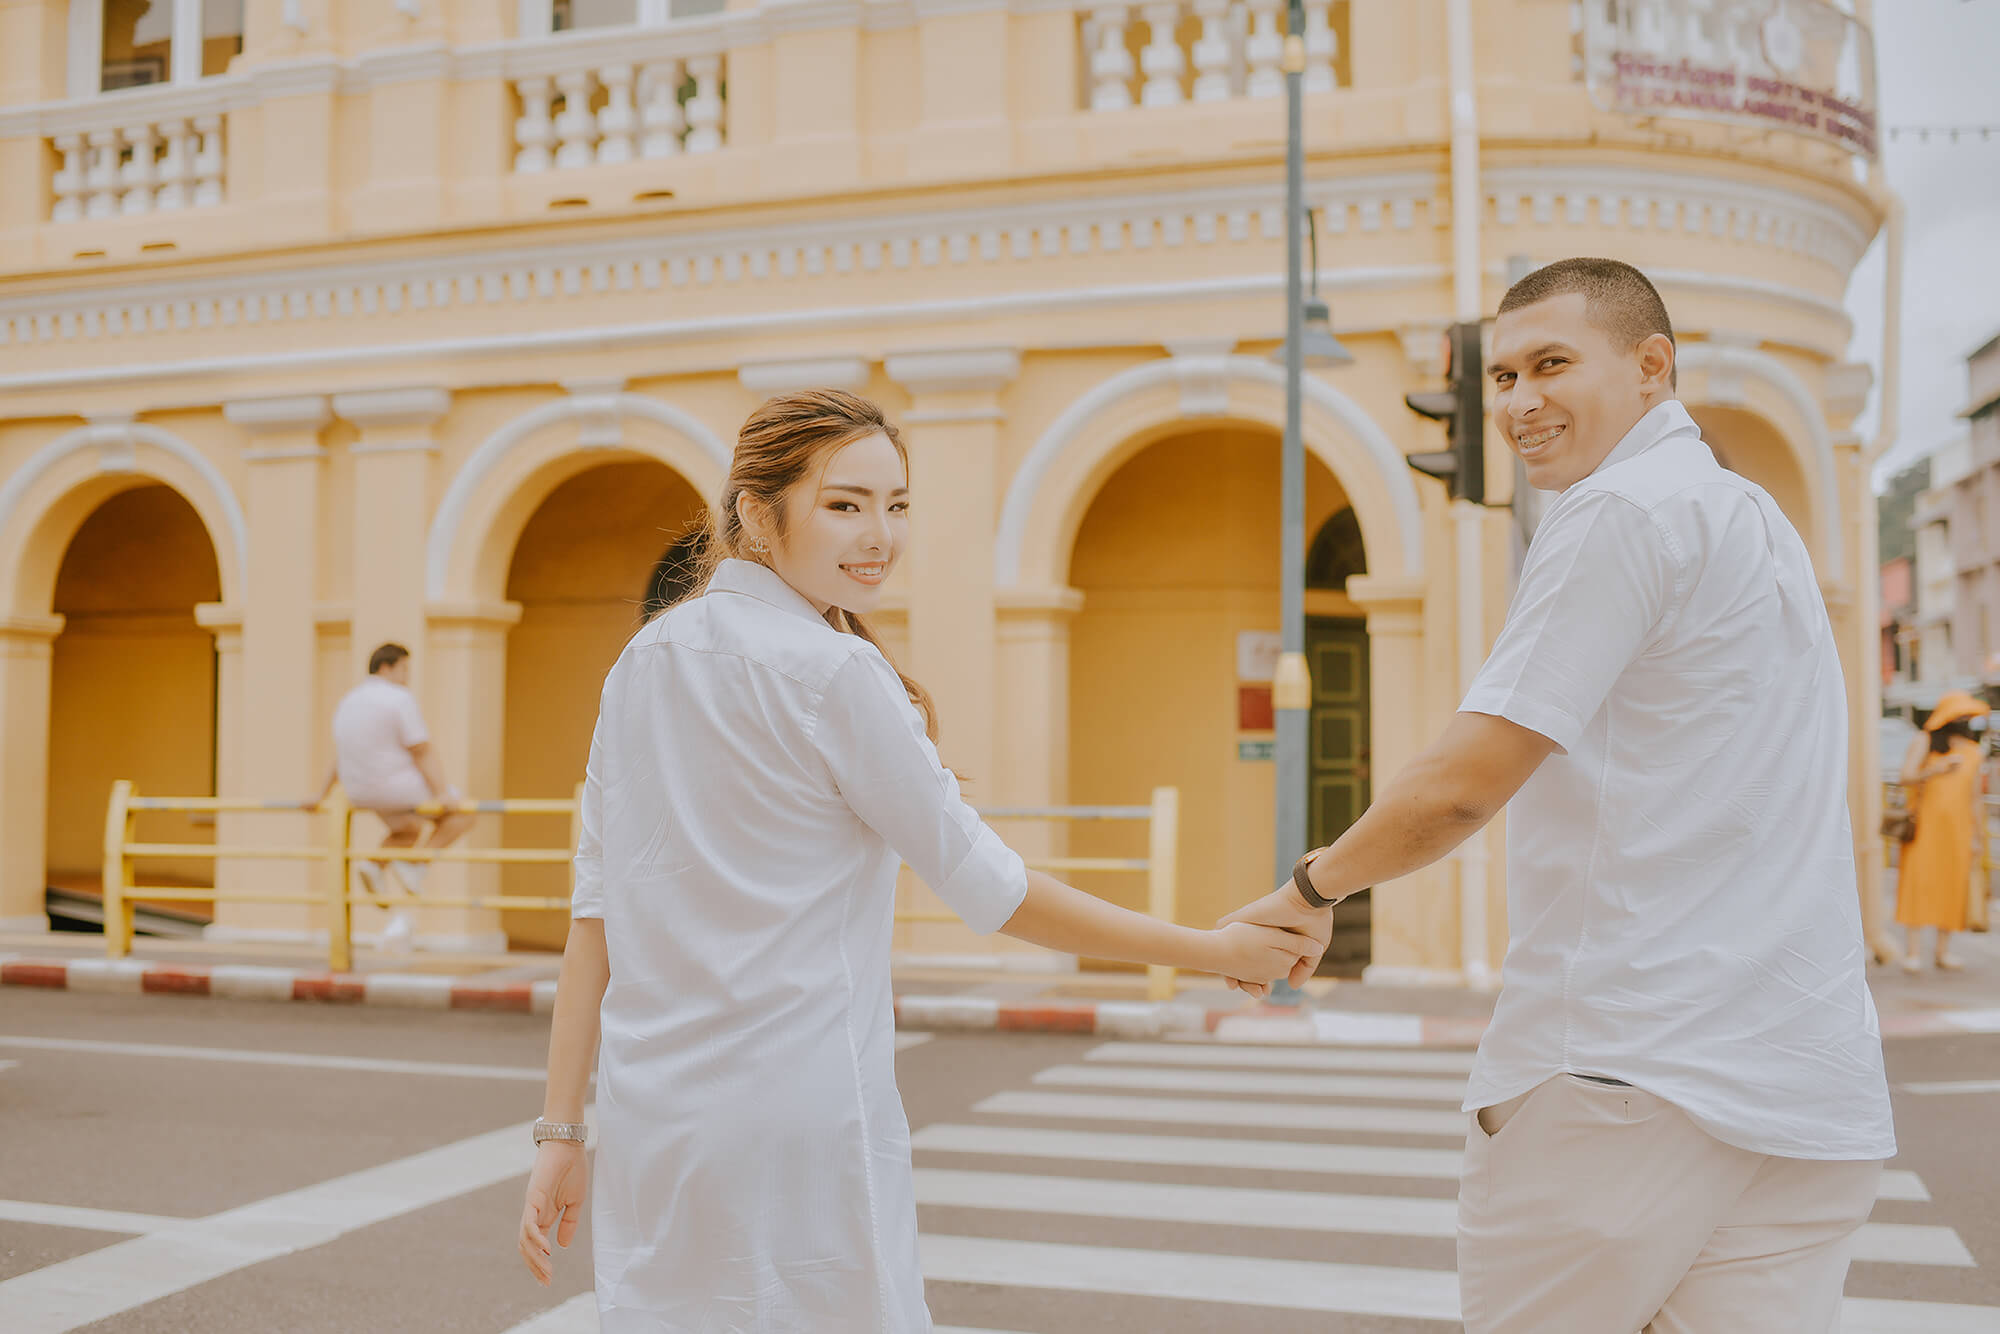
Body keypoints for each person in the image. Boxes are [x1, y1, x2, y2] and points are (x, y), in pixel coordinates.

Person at [515, 388, 1313, 1331]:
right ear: (755, 514)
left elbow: (593, 925)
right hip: (799, 1120)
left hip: (657, 1127)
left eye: (896, 506)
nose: (880, 537)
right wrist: (1215, 953)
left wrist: (562, 1134)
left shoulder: (641, 662)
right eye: (845, 504)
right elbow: (994, 887)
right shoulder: (835, 674)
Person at [1225, 258, 1895, 1333]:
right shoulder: (1756, 520)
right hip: (1806, 1089)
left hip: (1626, 1074)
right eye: (1497, 375)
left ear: (1649, 365)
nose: (1515, 402)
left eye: (1549, 364)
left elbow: (1462, 782)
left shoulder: (1614, 513)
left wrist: (1314, 883)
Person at [312, 643, 475, 950]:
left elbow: (340, 756)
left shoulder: (348, 701)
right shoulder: (399, 699)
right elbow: (421, 749)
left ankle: (375, 864)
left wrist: (320, 794)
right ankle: (418, 864)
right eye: (404, 669)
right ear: (386, 667)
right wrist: (441, 793)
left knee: (408, 830)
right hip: (396, 788)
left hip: (358, 790)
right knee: (464, 813)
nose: (406, 677)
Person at [1894, 691, 1988, 972]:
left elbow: (1975, 799)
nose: (1965, 722)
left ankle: (1942, 951)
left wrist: (1977, 836)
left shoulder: (1972, 753)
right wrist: (1935, 769)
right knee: (1918, 883)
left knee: (1952, 885)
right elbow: (1905, 777)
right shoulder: (1925, 742)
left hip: (1958, 830)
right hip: (1925, 826)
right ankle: (1913, 952)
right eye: (1960, 716)